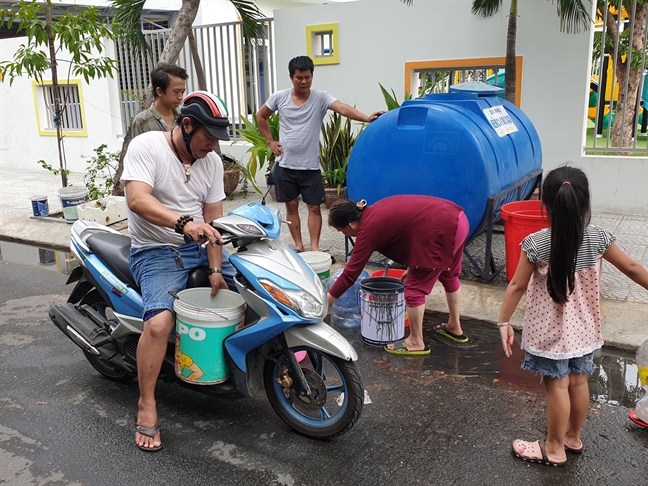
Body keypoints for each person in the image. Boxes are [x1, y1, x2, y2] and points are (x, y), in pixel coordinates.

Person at [498, 166, 648, 467]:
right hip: (584, 330)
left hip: (550, 332)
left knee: (557, 385)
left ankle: (553, 448)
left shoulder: (536, 243)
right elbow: (632, 267)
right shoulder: (597, 239)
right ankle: (572, 437)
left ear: (547, 206)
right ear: (584, 204)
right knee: (579, 383)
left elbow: (516, 285)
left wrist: (503, 322)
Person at [121, 91, 237, 452]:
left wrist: (216, 267)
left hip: (200, 245)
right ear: (187, 125)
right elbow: (137, 199)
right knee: (158, 324)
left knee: (252, 294)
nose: (214, 145)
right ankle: (147, 403)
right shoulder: (147, 146)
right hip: (155, 250)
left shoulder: (212, 162)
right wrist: (183, 223)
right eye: (209, 136)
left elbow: (214, 221)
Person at [257, 55, 384, 253]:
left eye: (308, 77)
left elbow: (342, 108)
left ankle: (314, 248)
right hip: (285, 165)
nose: (304, 81)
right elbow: (261, 116)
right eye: (299, 77)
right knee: (291, 207)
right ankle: (299, 245)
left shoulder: (320, 97)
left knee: (314, 208)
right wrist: (270, 141)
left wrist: (366, 118)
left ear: (312, 76)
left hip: (310, 167)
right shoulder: (279, 97)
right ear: (291, 77)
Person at [327, 196, 471, 355]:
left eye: (342, 231)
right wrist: (412, 267)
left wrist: (326, 301)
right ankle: (454, 327)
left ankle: (416, 341)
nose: (345, 235)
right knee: (449, 275)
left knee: (413, 289)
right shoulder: (375, 210)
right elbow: (410, 229)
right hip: (458, 220)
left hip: (440, 231)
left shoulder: (368, 229)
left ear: (350, 224)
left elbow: (350, 274)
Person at [130, 63, 188, 137]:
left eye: (182, 92)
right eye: (176, 92)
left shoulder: (183, 121)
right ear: (159, 91)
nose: (180, 97)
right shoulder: (142, 121)